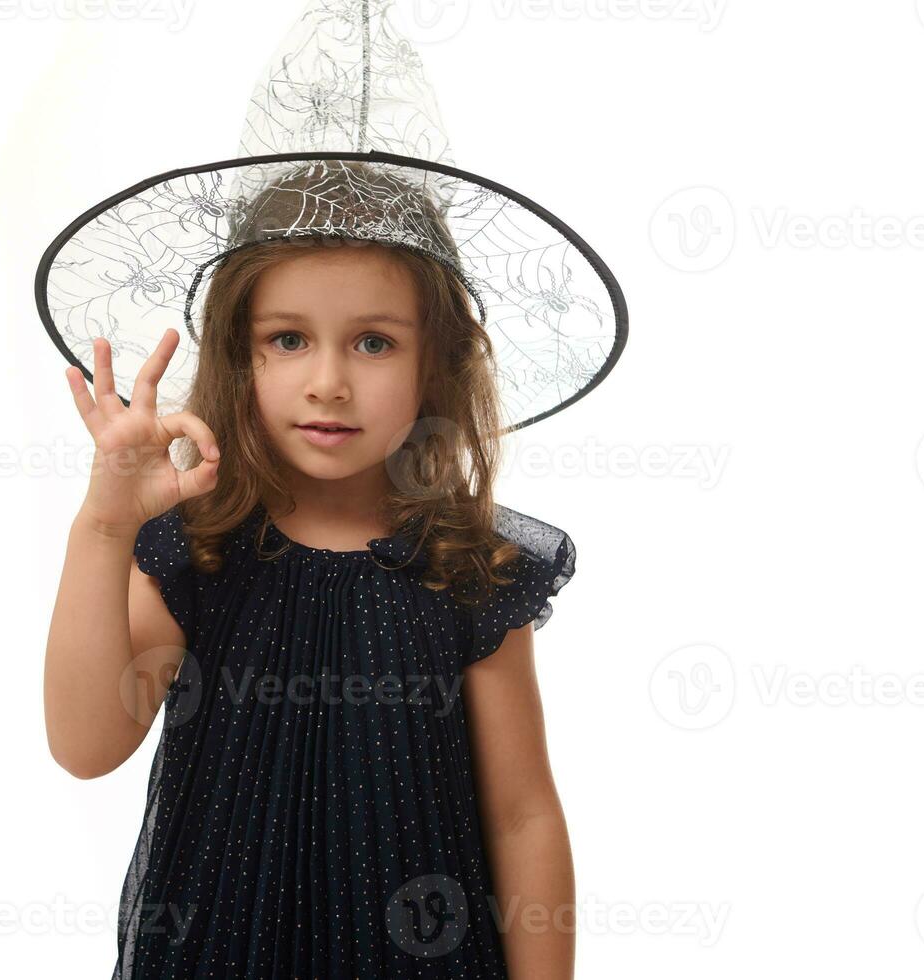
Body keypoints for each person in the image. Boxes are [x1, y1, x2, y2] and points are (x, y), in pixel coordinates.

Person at [44, 167, 585, 978]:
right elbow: (86, 745)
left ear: (434, 363)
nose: (327, 382)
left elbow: (520, 815)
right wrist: (105, 527)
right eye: (287, 339)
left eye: (374, 342)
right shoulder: (198, 553)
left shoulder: (466, 571)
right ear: (239, 356)